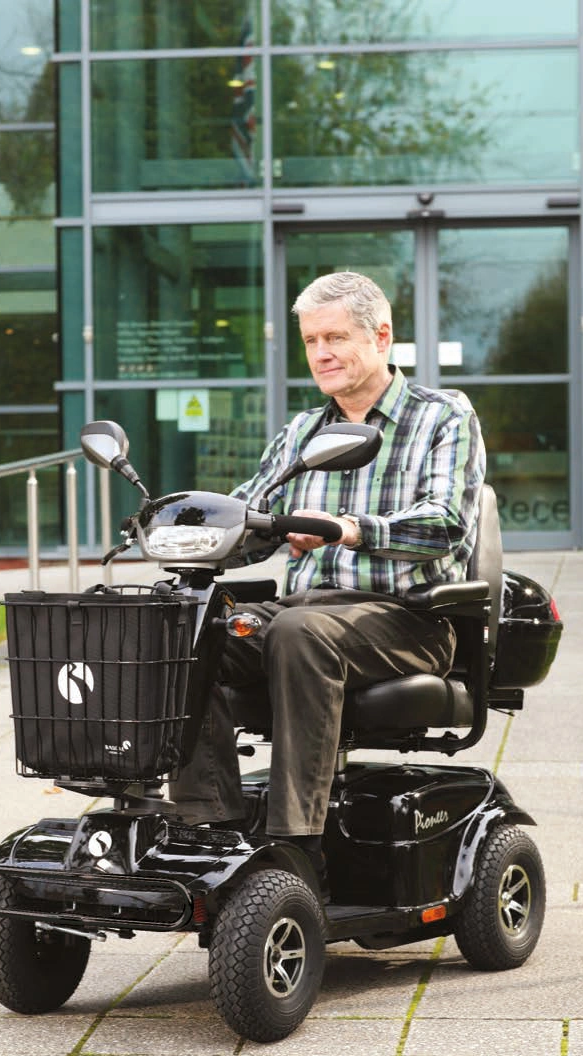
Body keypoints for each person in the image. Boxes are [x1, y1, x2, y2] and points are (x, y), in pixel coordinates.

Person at [171, 270, 486, 884]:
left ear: (382, 336)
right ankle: (209, 829)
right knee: (192, 627)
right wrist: (186, 526)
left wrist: (347, 528)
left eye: (336, 337)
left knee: (300, 634)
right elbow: (248, 515)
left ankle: (296, 846)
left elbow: (446, 525)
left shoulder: (443, 416)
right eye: (312, 341)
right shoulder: (302, 434)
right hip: (305, 611)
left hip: (410, 616)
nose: (321, 354)